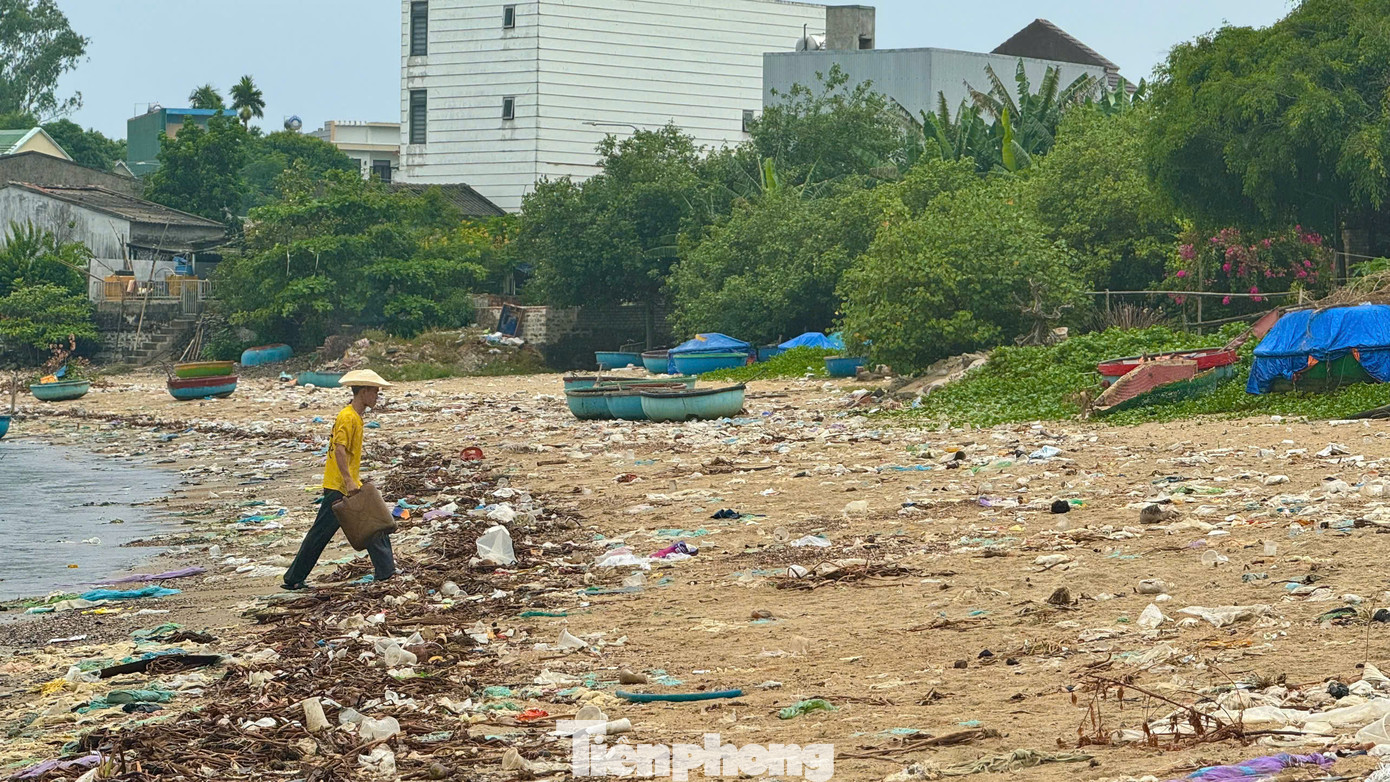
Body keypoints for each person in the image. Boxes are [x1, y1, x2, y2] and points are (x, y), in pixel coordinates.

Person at [283, 370, 396, 590]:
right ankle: (293, 578)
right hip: (339, 486)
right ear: (363, 391)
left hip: (348, 483)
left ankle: (386, 571)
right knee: (322, 533)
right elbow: (339, 450)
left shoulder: (356, 417)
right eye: (374, 392)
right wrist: (348, 480)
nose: (377, 397)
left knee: (375, 523)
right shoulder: (347, 417)